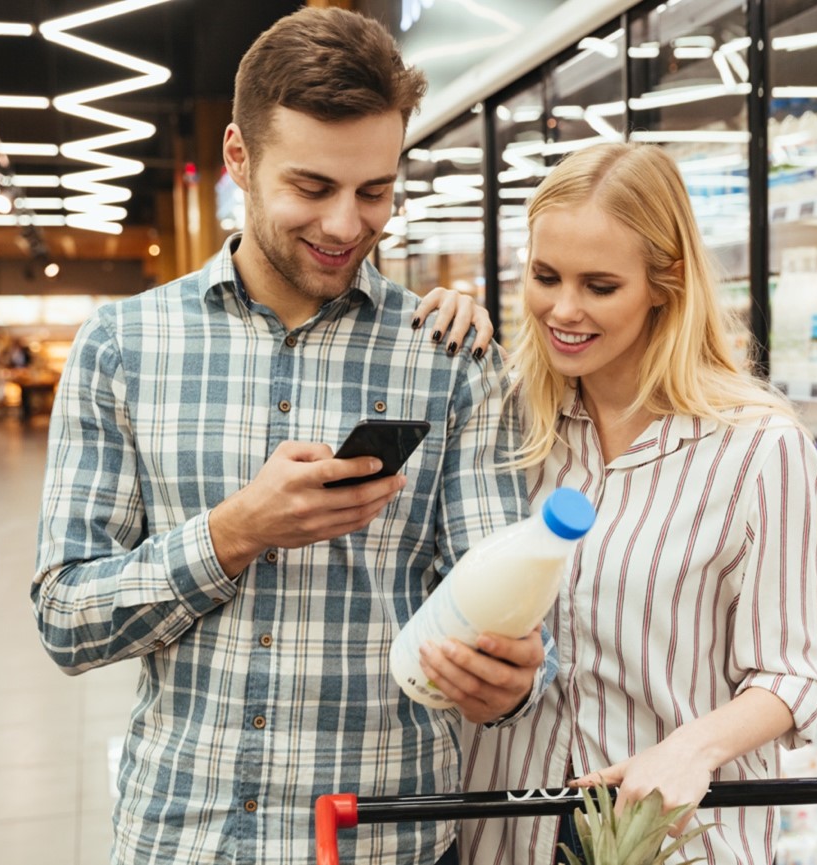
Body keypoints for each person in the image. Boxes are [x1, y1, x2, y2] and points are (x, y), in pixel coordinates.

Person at [32, 9, 547, 865]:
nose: (347, 225)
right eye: (312, 188)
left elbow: (498, 603)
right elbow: (65, 620)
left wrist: (514, 676)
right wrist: (234, 533)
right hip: (182, 832)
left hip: (387, 837)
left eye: (375, 191)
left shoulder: (452, 358)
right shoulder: (122, 346)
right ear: (238, 157)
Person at [416, 142, 817, 864]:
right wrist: (446, 322)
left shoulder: (758, 447)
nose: (563, 309)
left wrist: (691, 749)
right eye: (545, 277)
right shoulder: (510, 420)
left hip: (668, 838)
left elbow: (791, 672)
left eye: (600, 285)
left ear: (664, 284)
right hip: (507, 832)